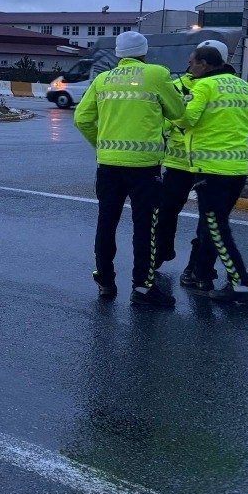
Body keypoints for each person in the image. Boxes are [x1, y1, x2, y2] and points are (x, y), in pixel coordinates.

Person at [73, 30, 185, 307]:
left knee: (106, 223)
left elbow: (82, 119)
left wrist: (102, 146)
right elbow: (179, 113)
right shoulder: (157, 74)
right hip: (144, 168)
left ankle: (105, 281)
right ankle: (143, 288)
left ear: (119, 54)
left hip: (108, 166)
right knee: (145, 227)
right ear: (143, 52)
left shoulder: (102, 79)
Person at [173, 41, 248, 304]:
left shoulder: (203, 86)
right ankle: (201, 274)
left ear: (204, 64)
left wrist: (173, 111)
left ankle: (241, 284)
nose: (189, 67)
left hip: (210, 170)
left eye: (192, 62)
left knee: (217, 229)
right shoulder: (246, 88)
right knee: (211, 226)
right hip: (237, 170)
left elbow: (187, 120)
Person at [151, 42, 216, 271]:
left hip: (205, 163)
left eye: (192, 62)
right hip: (179, 162)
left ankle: (195, 265)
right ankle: (162, 252)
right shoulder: (178, 86)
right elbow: (164, 115)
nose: (189, 66)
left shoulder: (218, 87)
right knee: (166, 210)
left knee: (206, 218)